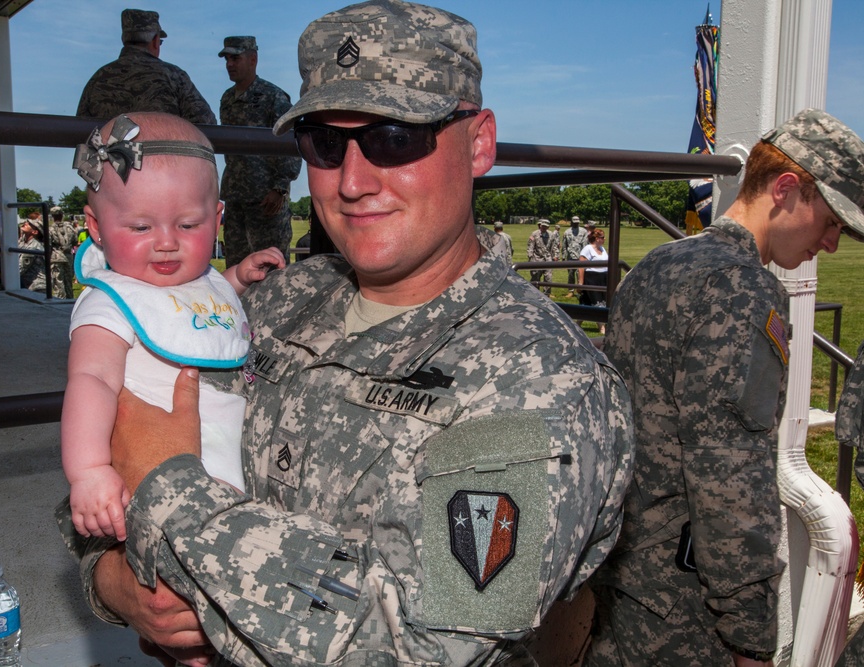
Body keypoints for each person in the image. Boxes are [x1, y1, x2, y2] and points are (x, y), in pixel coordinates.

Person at [59, 2, 633, 665]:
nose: (353, 182)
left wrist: (174, 497)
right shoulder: (275, 303)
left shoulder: (539, 382)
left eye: (395, 137)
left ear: (477, 142)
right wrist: (114, 584)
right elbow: (95, 473)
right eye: (327, 145)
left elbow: (422, 644)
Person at [586, 108, 864, 666]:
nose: (831, 243)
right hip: (684, 614)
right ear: (786, 189)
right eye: (831, 219)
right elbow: (729, 478)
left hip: (621, 579)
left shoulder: (657, 264)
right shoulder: (743, 290)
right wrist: (749, 636)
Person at [63, 111, 284, 545]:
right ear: (96, 228)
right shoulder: (111, 303)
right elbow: (91, 379)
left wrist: (235, 278)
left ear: (217, 219)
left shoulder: (203, 279)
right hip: (163, 480)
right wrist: (88, 471)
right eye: (141, 226)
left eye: (188, 225)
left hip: (234, 467)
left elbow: (198, 310)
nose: (167, 241)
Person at [218, 36, 302, 267]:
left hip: (266, 199)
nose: (229, 64)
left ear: (253, 59)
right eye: (226, 59)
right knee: (236, 265)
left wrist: (280, 187)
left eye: (235, 58)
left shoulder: (273, 97)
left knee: (271, 265)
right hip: (236, 198)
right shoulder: (227, 99)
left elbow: (291, 142)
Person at [76, 9, 216, 127]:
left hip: (110, 159)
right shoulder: (174, 76)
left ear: (124, 39)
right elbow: (207, 124)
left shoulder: (99, 78)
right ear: (155, 41)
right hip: (164, 159)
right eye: (160, 41)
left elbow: (79, 130)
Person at [577, 227, 609, 334]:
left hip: (603, 278)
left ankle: (577, 324)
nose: (604, 239)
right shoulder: (587, 249)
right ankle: (601, 327)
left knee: (587, 302)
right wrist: (580, 283)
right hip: (592, 279)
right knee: (597, 302)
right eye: (602, 237)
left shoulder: (603, 249)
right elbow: (581, 267)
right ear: (596, 238)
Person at [48, 206, 75, 299]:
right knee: (68, 283)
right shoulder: (69, 228)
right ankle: (70, 301)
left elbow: (48, 245)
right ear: (62, 215)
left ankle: (60, 301)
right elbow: (75, 241)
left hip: (56, 257)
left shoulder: (50, 229)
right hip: (68, 257)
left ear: (52, 216)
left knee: (58, 283)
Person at [527, 218, 559, 294]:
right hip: (537, 258)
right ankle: (535, 294)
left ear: (548, 227)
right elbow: (530, 247)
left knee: (548, 278)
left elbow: (554, 246)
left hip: (547, 258)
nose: (544, 228)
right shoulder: (534, 234)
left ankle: (547, 294)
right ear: (540, 226)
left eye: (546, 227)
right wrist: (530, 257)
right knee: (535, 277)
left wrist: (556, 255)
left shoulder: (551, 235)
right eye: (543, 226)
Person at [562, 215, 589, 296]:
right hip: (570, 256)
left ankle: (580, 290)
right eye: (574, 223)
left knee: (580, 274)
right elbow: (564, 245)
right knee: (571, 274)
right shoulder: (567, 232)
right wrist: (563, 256)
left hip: (580, 256)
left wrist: (586, 257)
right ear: (571, 222)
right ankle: (571, 291)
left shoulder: (584, 231)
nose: (576, 224)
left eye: (577, 223)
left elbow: (585, 245)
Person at [18, 216, 46, 292]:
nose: (25, 223)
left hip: (36, 287)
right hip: (28, 285)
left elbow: (20, 268)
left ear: (35, 232)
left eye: (29, 224)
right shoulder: (23, 243)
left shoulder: (34, 246)